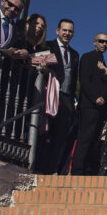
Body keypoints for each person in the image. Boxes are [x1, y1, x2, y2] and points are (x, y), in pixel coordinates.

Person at [38, 19, 79, 175]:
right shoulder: (48, 46)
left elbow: (73, 77)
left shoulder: (74, 54)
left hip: (67, 98)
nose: (67, 33)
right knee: (46, 132)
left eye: (70, 31)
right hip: (51, 94)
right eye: (64, 30)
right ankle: (41, 168)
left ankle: (53, 170)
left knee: (61, 136)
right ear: (57, 31)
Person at [70, 33, 107, 175]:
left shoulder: (103, 62)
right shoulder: (88, 57)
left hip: (101, 108)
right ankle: (77, 170)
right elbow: (84, 81)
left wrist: (106, 74)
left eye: (106, 42)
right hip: (89, 106)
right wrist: (95, 98)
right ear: (94, 42)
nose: (104, 44)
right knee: (85, 138)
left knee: (95, 139)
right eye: (101, 41)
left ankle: (89, 171)